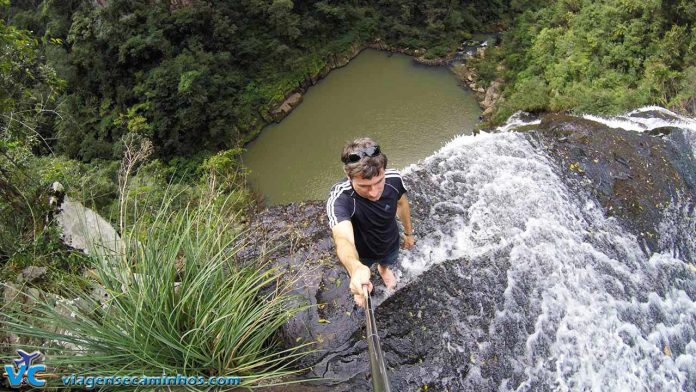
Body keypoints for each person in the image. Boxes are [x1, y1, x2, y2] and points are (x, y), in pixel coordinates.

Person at [326, 137, 415, 307]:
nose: (374, 193)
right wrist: (355, 268)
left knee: (388, 260)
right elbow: (343, 239)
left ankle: (384, 269)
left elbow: (402, 203)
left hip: (389, 240)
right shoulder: (340, 198)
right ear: (348, 176)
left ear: (384, 170)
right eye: (364, 186)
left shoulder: (394, 179)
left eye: (379, 182)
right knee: (360, 270)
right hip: (360, 252)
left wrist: (409, 233)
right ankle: (360, 281)